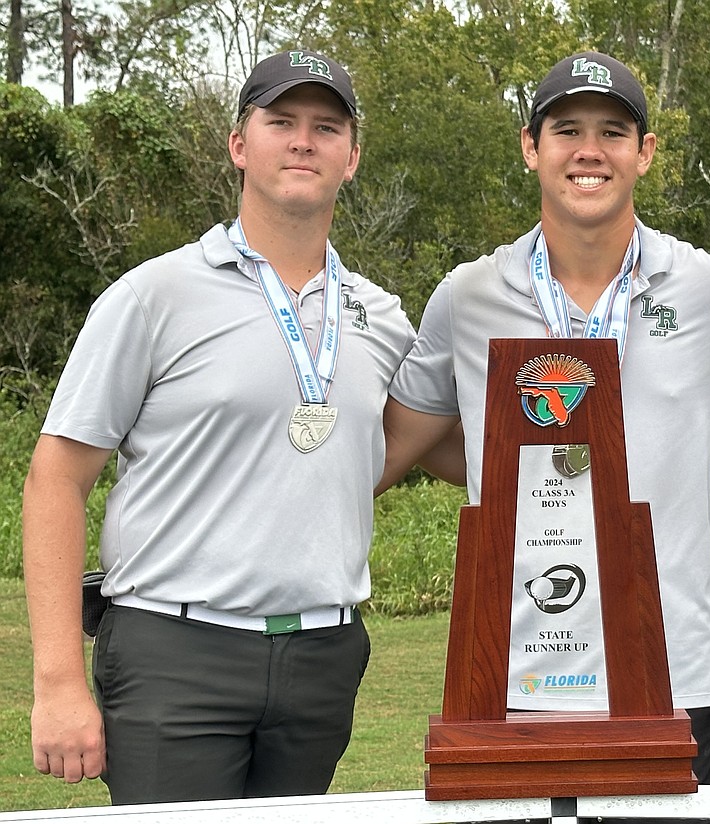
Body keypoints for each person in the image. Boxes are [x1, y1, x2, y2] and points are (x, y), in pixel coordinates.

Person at [380, 50, 710, 800]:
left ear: (645, 152)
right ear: (530, 147)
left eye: (613, 131)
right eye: (566, 129)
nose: (589, 150)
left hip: (673, 667)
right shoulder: (468, 295)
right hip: (513, 666)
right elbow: (393, 445)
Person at [22, 50, 415, 803]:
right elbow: (55, 480)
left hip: (324, 655)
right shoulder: (153, 297)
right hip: (176, 649)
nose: (304, 141)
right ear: (240, 144)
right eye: (281, 122)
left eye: (326, 126)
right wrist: (59, 683)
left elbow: (414, 446)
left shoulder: (383, 317)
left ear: (352, 157)